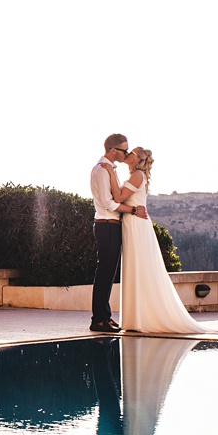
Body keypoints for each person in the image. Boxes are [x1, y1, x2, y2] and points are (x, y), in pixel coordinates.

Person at [113, 147, 210, 335]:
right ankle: (135, 318)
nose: (128, 155)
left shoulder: (138, 176)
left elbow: (119, 197)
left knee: (138, 266)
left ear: (138, 159)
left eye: (131, 153)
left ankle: (138, 318)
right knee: (135, 267)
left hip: (135, 224)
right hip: (133, 222)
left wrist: (110, 173)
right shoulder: (139, 176)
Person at [89, 134, 147, 333]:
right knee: (104, 272)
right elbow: (108, 202)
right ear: (113, 150)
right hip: (106, 225)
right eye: (124, 150)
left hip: (112, 225)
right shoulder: (101, 170)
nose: (126, 154)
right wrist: (132, 210)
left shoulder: (109, 169)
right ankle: (98, 319)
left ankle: (104, 316)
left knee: (108, 272)